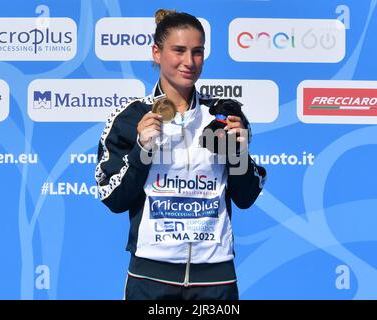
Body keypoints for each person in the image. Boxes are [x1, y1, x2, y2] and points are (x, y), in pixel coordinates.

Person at [95, 9, 266, 300]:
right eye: (179, 50)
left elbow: (246, 197)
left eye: (197, 52)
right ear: (157, 53)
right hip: (150, 277)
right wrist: (141, 150)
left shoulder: (223, 116)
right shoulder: (129, 117)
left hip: (216, 279)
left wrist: (238, 155)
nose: (189, 62)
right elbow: (114, 198)